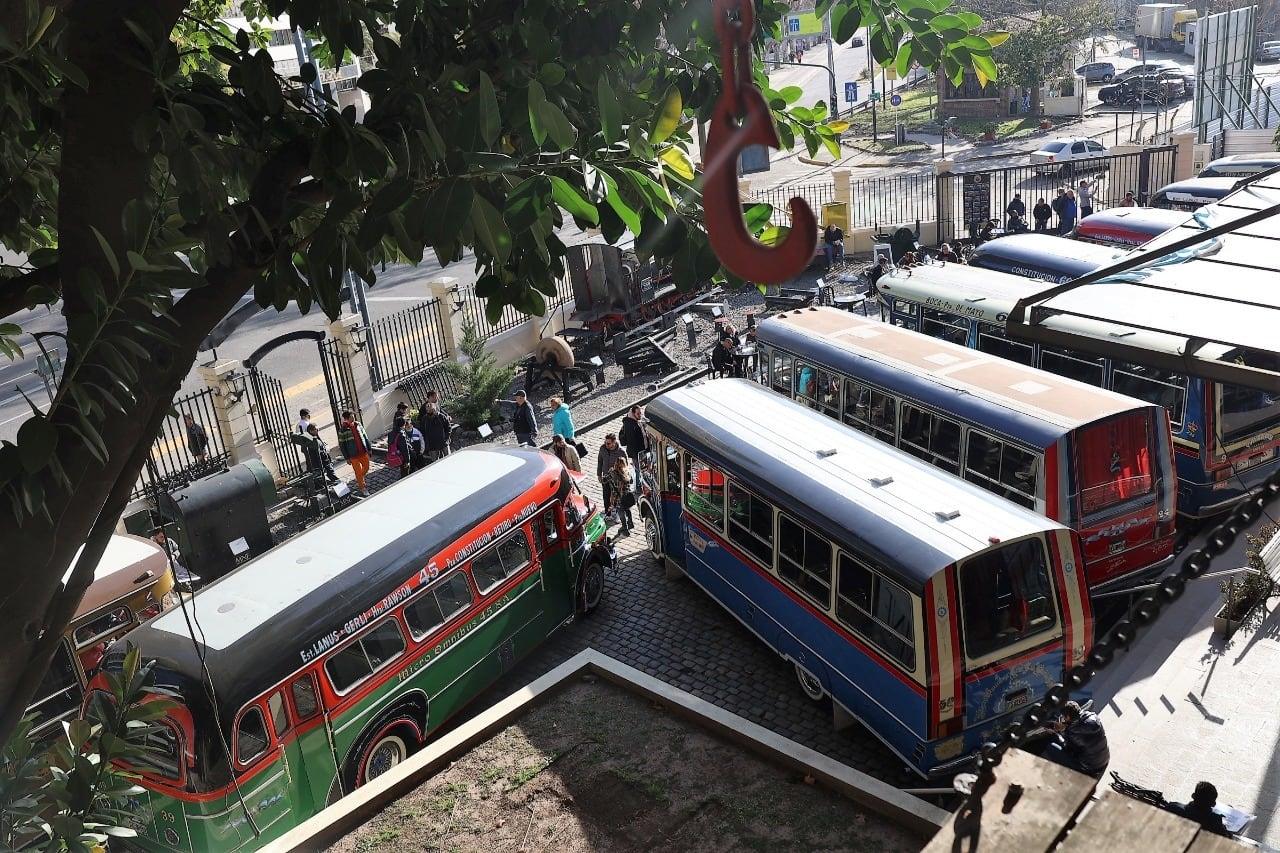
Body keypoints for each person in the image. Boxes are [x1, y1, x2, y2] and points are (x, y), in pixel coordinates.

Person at [1043, 700, 1110, 776]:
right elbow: (1080, 728)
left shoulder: (1072, 733)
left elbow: (1067, 748)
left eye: (1064, 717)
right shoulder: (1093, 717)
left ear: (1067, 716)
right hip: (1104, 760)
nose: (1064, 719)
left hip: (1090, 768)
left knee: (1051, 747)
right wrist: (1065, 728)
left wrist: (1056, 734)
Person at [337, 410, 371, 496]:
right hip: (353, 455)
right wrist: (347, 458)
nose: (354, 418)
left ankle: (359, 478)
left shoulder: (358, 424)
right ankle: (363, 487)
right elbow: (342, 445)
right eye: (352, 417)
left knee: (366, 467)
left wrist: (369, 448)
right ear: (347, 419)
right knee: (358, 472)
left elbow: (365, 436)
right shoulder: (343, 430)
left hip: (363, 452)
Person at [596, 433, 628, 522]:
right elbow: (600, 462)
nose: (606, 445)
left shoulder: (621, 452)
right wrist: (599, 474)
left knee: (618, 497)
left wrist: (616, 470)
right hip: (606, 477)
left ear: (614, 442)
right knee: (606, 496)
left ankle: (619, 514)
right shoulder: (602, 449)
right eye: (605, 443)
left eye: (608, 443)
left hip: (617, 479)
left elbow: (625, 466)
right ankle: (608, 513)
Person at [605, 457, 635, 536]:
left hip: (618, 497)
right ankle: (630, 522)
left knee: (621, 512)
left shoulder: (613, 473)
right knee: (627, 508)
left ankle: (624, 528)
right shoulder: (627, 472)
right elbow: (631, 481)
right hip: (627, 495)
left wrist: (609, 472)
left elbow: (604, 480)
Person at [618, 405, 648, 479]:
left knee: (640, 470)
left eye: (640, 413)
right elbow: (632, 442)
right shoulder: (632, 425)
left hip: (640, 451)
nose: (640, 415)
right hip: (637, 453)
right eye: (638, 414)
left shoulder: (635, 422)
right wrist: (637, 454)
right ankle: (638, 486)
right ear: (633, 414)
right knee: (639, 471)